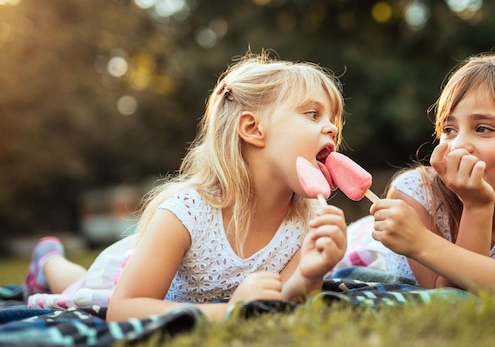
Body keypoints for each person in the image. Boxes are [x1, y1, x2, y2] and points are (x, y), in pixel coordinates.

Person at [23, 51, 348, 321]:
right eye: (312, 114)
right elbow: (122, 308)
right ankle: (48, 260)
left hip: (176, 291)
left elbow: (280, 302)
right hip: (126, 276)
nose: (331, 128)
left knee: (74, 281)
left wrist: (311, 274)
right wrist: (230, 311)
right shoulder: (188, 212)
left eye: (333, 119)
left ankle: (51, 261)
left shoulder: (305, 223)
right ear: (252, 129)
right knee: (76, 286)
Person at [334, 52, 495, 294]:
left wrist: (470, 210)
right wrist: (476, 207)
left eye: (483, 129)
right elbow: (453, 295)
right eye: (449, 129)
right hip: (346, 255)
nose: (459, 144)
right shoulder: (414, 194)